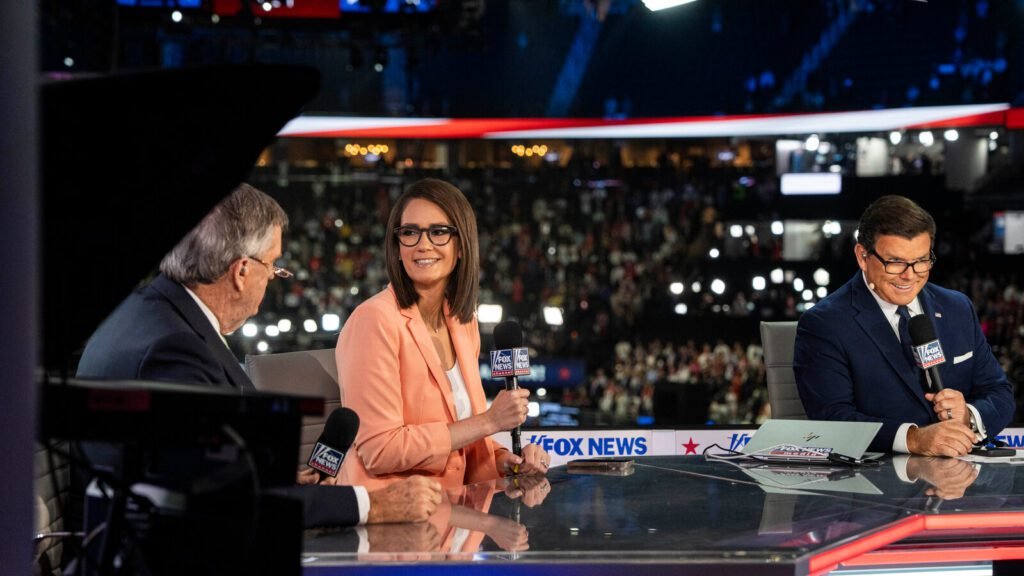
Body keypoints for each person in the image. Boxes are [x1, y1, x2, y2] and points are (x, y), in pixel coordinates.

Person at [76, 182, 441, 526]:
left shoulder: (147, 312)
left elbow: (190, 469)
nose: (271, 278)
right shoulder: (173, 350)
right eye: (272, 266)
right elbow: (221, 502)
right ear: (241, 271)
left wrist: (267, 476)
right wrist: (372, 505)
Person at [335, 178, 550, 490]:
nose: (423, 244)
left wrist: (506, 461)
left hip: (453, 508)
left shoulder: (462, 322)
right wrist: (489, 421)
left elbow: (463, 436)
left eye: (438, 232)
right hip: (392, 509)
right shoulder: (373, 320)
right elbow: (380, 450)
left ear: (461, 246)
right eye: (410, 232)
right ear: (397, 247)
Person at [793, 195, 1014, 456]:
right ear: (863, 256)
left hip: (958, 472)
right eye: (895, 262)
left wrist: (968, 415)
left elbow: (999, 393)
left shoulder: (957, 308)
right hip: (874, 476)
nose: (909, 275)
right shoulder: (824, 323)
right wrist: (912, 439)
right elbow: (832, 419)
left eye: (921, 261)